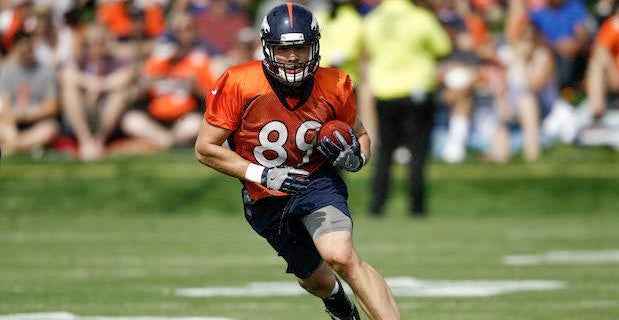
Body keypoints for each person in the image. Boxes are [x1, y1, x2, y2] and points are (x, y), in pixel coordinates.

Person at [195, 3, 400, 320]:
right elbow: (206, 148)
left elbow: (360, 135)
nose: (293, 57)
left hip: (315, 181)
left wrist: (357, 159)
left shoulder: (334, 85)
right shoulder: (240, 83)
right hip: (265, 198)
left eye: (301, 47)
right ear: (268, 48)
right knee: (316, 280)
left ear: (314, 45)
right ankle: (338, 305)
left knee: (341, 255)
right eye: (283, 48)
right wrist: (261, 174)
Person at [363, 0, 451, 217]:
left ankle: (377, 205)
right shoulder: (421, 18)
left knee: (385, 152)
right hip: (416, 90)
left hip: (384, 90)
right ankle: (417, 207)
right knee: (417, 152)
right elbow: (443, 47)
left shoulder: (373, 19)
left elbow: (366, 48)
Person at [0, 30, 60, 156]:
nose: (26, 54)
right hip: (11, 124)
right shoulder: (5, 71)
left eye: (29, 50)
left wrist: (24, 114)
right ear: (15, 49)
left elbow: (51, 107)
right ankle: (24, 146)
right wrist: (13, 117)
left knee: (51, 129)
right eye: (23, 51)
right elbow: (4, 105)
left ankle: (13, 146)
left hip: (36, 123)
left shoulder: (46, 72)